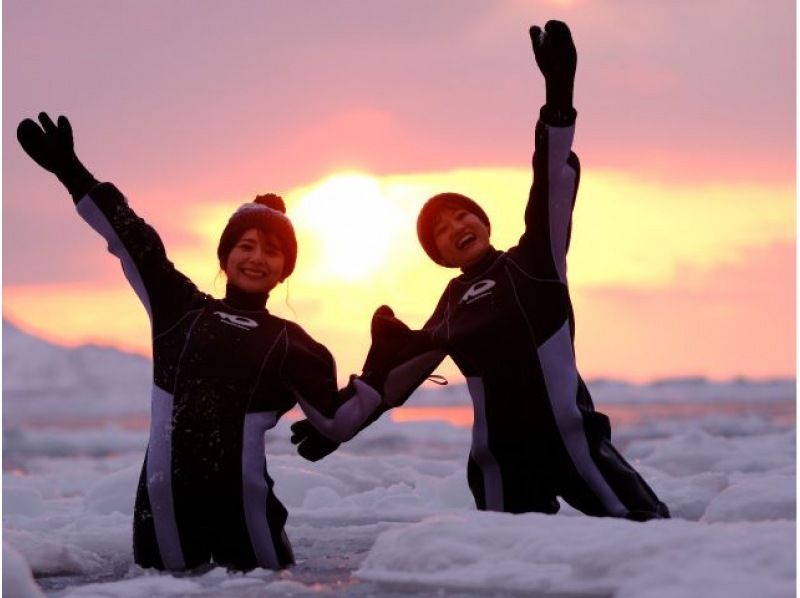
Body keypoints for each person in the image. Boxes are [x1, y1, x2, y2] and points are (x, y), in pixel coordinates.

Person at [291, 20, 670, 521]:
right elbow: (395, 378)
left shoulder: (536, 262)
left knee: (652, 534)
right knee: (504, 565)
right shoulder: (450, 306)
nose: (456, 226)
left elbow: (550, 181)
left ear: (484, 222)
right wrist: (338, 425)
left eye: (462, 214)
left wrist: (559, 95)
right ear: (439, 256)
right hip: (499, 462)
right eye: (441, 230)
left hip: (573, 442)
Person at [16, 114, 391, 571]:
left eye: (272, 251)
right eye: (246, 245)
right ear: (226, 255)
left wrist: (380, 371)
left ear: (285, 268)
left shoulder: (292, 344)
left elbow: (336, 422)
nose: (257, 258)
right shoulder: (181, 311)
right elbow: (135, 240)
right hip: (164, 518)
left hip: (249, 526)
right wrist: (73, 173)